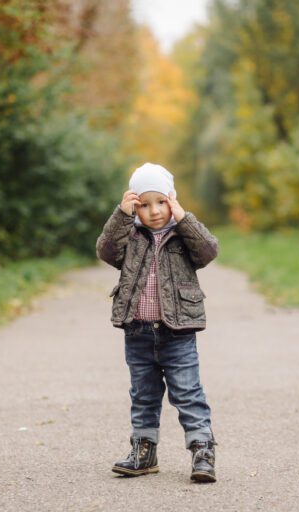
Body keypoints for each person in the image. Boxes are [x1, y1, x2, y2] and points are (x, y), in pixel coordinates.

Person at [96, 162, 219, 483]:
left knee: (187, 392)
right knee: (143, 394)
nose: (154, 211)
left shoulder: (182, 234)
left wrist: (184, 217)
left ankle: (202, 450)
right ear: (135, 205)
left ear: (172, 200)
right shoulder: (131, 234)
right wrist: (121, 216)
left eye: (161, 202)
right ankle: (144, 450)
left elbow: (208, 251)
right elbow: (107, 251)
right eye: (145, 204)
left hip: (177, 332)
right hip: (137, 331)